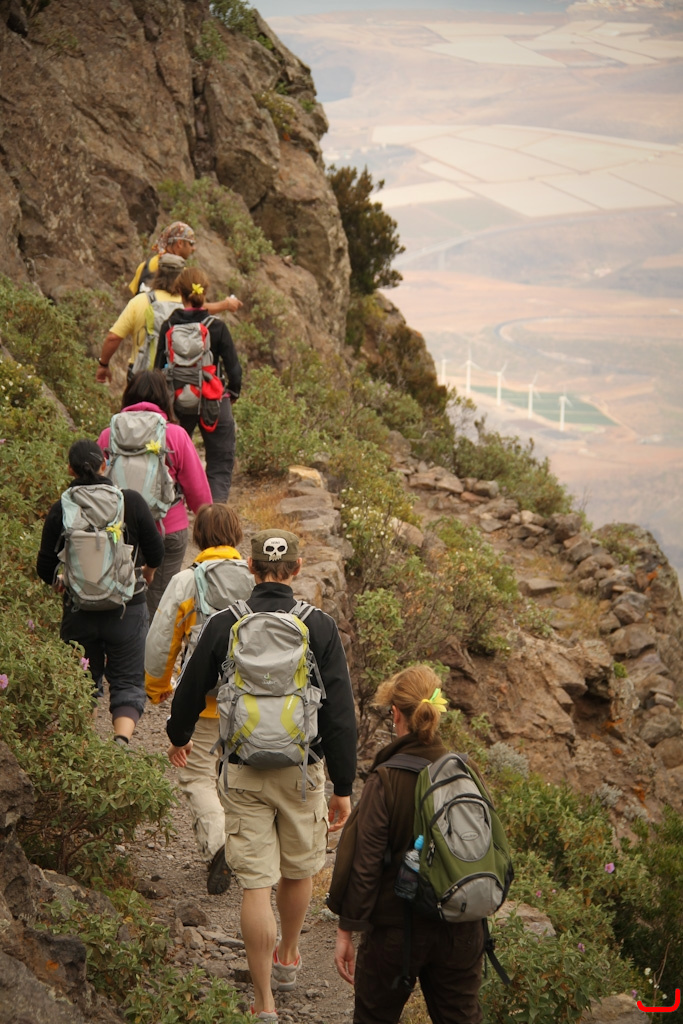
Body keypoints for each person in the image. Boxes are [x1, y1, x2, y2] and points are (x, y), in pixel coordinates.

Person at [166, 528, 357, 1021]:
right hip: (303, 769)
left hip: (243, 769)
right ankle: (288, 956)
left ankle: (264, 1003)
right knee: (298, 870)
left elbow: (190, 689)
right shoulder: (319, 626)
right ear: (297, 569)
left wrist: (179, 735)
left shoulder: (226, 622)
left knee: (256, 886)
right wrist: (343, 786)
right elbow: (340, 714)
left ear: (251, 568)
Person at [328, 665, 485, 1024]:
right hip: (462, 928)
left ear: (395, 713)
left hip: (396, 933)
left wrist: (347, 929)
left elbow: (365, 864)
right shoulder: (466, 771)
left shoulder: (386, 779)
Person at [145, 503, 254, 893]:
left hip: (204, 701)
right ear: (237, 536)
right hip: (253, 701)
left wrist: (158, 688)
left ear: (198, 537)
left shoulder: (187, 581)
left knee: (197, 776)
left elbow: (162, 639)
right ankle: (251, 849)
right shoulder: (256, 578)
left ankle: (220, 846)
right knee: (239, 773)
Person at [36, 440, 164, 746]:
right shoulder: (130, 501)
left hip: (79, 611)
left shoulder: (63, 508)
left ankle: (84, 747)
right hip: (126, 608)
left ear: (70, 470)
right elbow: (157, 552)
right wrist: (145, 574)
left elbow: (44, 566)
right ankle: (120, 743)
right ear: (105, 464)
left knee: (83, 682)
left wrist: (62, 582)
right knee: (128, 682)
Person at [97, 370, 212, 616]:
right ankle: (150, 639)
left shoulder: (109, 435)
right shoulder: (176, 435)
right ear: (164, 398)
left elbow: (96, 486)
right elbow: (199, 493)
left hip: (119, 530)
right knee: (159, 603)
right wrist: (209, 531)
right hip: (167, 528)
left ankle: (124, 636)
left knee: (118, 597)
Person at [156, 266, 242, 503]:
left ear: (179, 292)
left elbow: (158, 369)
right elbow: (234, 370)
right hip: (213, 400)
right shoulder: (217, 326)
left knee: (173, 462)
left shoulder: (168, 326)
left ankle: (175, 510)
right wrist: (232, 393)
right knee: (219, 463)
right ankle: (215, 513)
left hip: (177, 401)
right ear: (205, 292)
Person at [96, 253, 186, 385]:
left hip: (141, 375)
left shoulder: (140, 301)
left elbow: (113, 338)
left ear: (158, 273)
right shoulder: (188, 304)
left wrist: (103, 364)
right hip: (176, 376)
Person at [128, 219, 242, 310]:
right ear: (180, 243)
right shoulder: (182, 274)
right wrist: (226, 304)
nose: (194, 248)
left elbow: (133, 301)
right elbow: (196, 308)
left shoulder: (144, 266)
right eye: (191, 243)